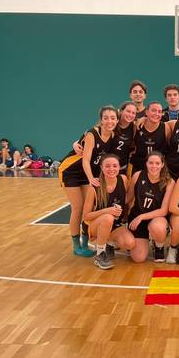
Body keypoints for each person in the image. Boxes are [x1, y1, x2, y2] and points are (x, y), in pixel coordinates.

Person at [58, 106, 119, 258]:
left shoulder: (112, 136)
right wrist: (91, 178)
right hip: (70, 171)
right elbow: (85, 160)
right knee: (78, 207)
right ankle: (76, 245)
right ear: (101, 119)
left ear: (117, 120)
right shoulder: (93, 133)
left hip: (88, 173)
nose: (109, 121)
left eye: (112, 118)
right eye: (106, 118)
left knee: (89, 207)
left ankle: (85, 243)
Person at [82, 154, 135, 270]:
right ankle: (100, 254)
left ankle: (109, 243)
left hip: (114, 225)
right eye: (107, 166)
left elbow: (125, 199)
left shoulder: (123, 179)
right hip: (93, 225)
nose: (111, 169)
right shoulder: (94, 187)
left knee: (129, 243)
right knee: (107, 217)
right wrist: (107, 211)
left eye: (115, 166)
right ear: (101, 167)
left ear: (119, 167)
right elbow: (85, 216)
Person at [126, 151, 174, 262]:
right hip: (137, 216)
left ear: (162, 164)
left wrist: (141, 217)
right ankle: (140, 241)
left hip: (156, 217)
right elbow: (128, 197)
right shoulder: (137, 175)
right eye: (151, 163)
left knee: (158, 227)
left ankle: (159, 246)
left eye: (157, 163)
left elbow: (163, 210)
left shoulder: (169, 182)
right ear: (146, 163)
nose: (154, 166)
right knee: (138, 258)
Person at [129, 101, 170, 175]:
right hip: (138, 168)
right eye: (153, 110)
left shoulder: (166, 127)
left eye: (159, 112)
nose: (157, 114)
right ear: (147, 112)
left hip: (157, 170)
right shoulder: (137, 126)